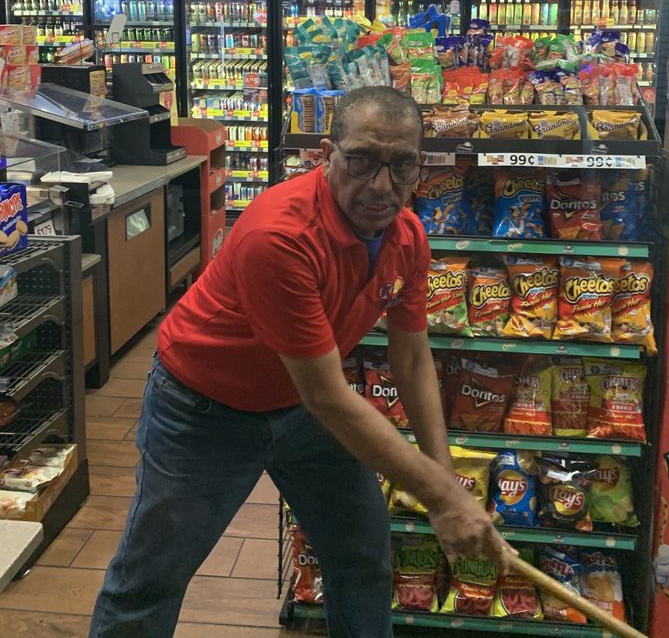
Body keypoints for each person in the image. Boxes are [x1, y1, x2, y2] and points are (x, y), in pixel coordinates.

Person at [89, 86, 513, 637]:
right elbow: (328, 396)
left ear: (419, 167)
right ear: (326, 155)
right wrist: (443, 497)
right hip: (203, 410)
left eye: (402, 165)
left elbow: (411, 359)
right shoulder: (280, 235)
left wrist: (444, 482)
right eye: (361, 160)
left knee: (362, 556)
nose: (381, 185)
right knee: (150, 579)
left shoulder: (406, 237)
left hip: (301, 408)